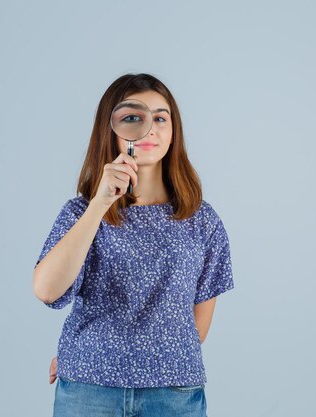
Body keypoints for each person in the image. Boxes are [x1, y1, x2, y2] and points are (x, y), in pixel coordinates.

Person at [33, 73, 235, 417]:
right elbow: (47, 290)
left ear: (174, 132)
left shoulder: (202, 220)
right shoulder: (80, 213)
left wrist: (142, 364)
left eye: (160, 118)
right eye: (132, 118)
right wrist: (100, 203)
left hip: (173, 394)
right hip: (89, 389)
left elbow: (197, 322)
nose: (149, 128)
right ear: (110, 130)